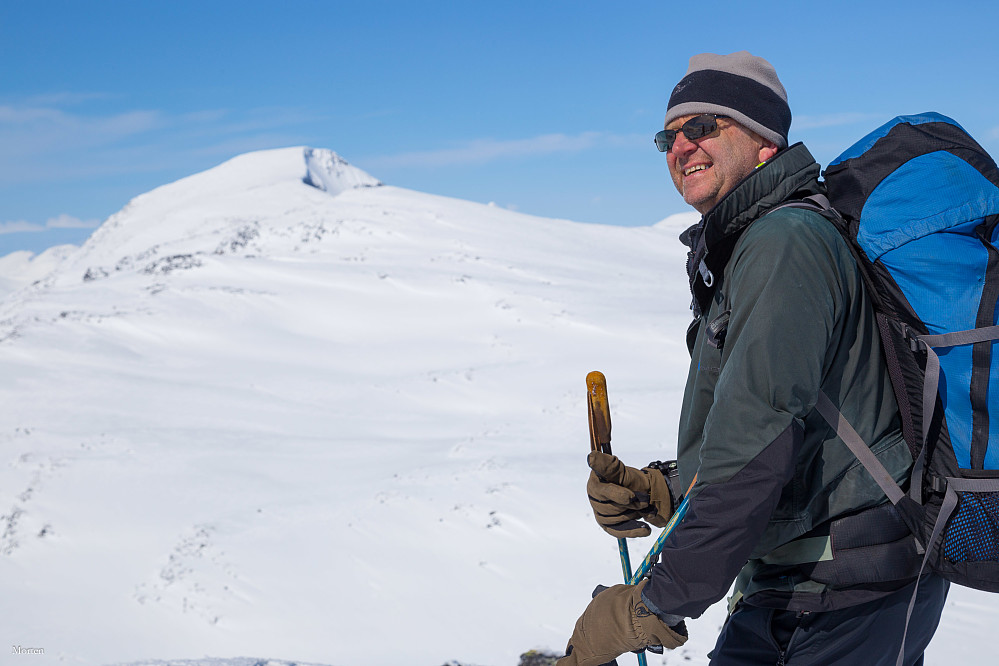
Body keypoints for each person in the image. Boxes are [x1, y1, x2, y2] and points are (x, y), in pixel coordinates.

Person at [557, 52, 949, 666]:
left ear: (766, 141)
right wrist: (662, 490)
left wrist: (650, 608)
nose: (680, 145)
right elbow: (764, 429)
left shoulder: (784, 244)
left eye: (704, 126)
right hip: (793, 582)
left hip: (856, 590)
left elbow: (752, 453)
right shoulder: (749, 246)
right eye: (669, 135)